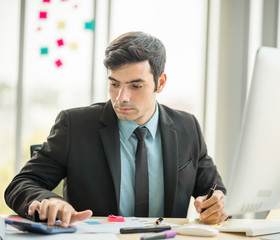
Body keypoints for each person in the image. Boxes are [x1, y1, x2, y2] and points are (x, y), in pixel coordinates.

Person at [5, 31, 227, 227]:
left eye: (135, 86)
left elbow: (213, 189)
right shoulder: (75, 126)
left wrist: (215, 202)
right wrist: (49, 201)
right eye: (114, 84)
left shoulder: (187, 127)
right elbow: (21, 184)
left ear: (161, 82)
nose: (122, 98)